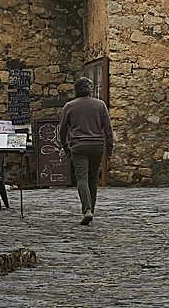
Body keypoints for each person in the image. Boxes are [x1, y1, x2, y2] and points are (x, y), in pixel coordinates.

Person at [58, 76, 113, 225]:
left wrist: (65, 147)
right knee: (93, 179)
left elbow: (62, 130)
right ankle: (91, 210)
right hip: (97, 146)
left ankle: (87, 210)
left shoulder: (69, 106)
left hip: (78, 146)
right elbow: (108, 130)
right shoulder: (100, 105)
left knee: (81, 178)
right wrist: (109, 150)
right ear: (90, 89)